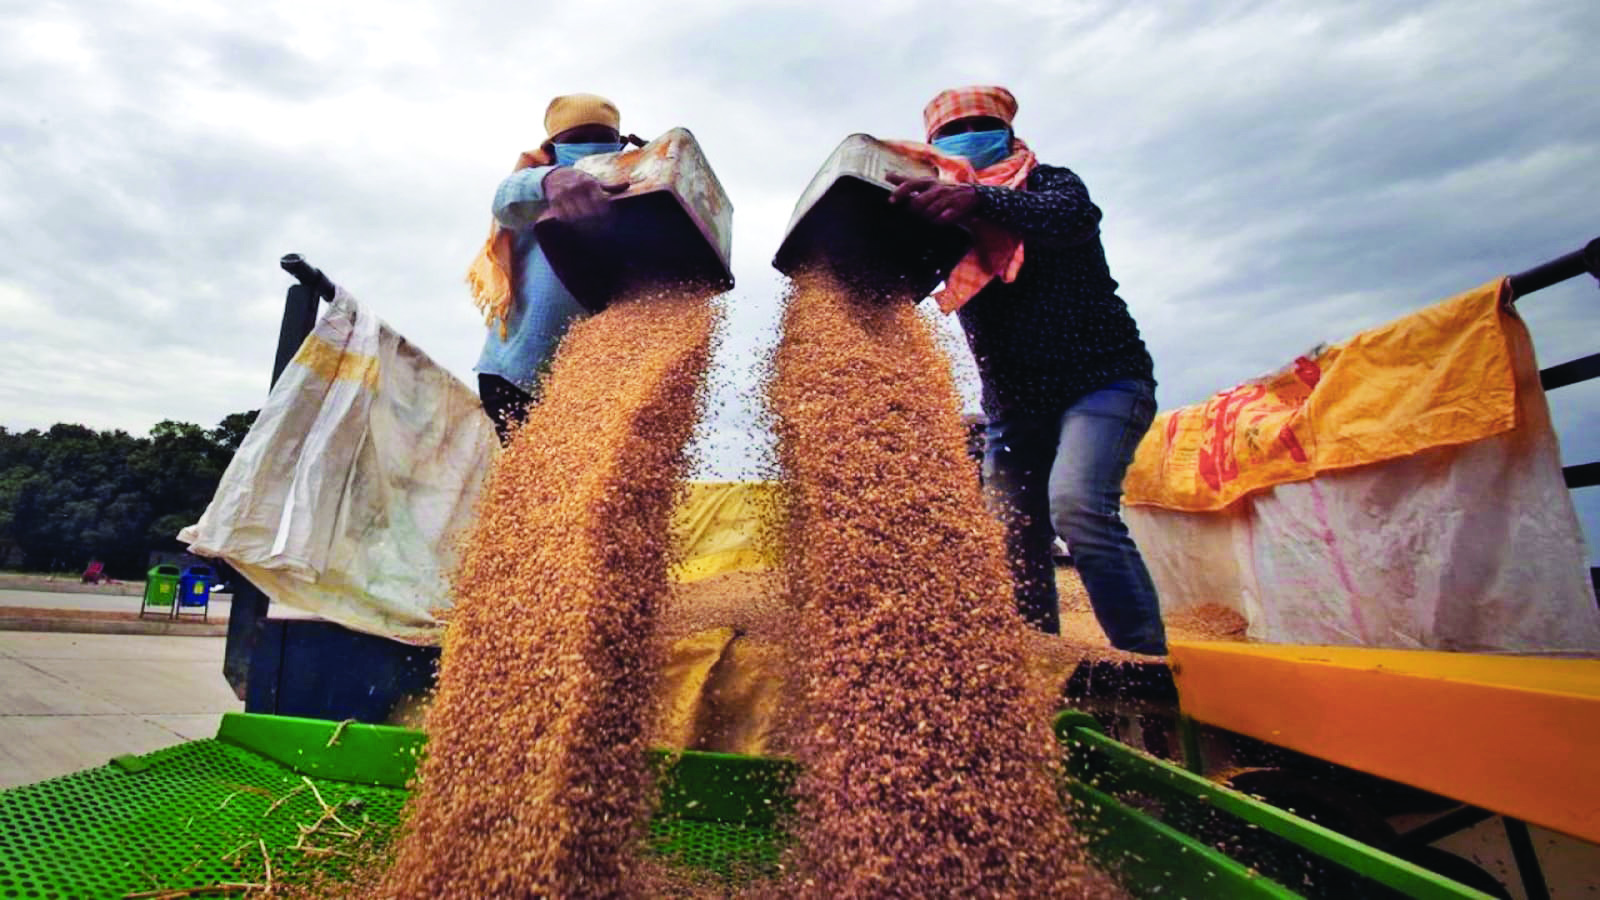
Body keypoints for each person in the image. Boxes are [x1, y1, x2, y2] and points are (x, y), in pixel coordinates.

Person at [886, 85, 1167, 655]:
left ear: (1009, 131)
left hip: (1102, 382)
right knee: (1012, 538)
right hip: (1014, 407)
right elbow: (901, 275)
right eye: (949, 132)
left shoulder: (1050, 185)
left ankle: (1146, 665)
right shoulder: (943, 214)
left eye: (979, 124)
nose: (965, 138)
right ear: (933, 144)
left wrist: (981, 202)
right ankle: (1037, 665)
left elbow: (1071, 218)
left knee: (1079, 508)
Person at [467, 93, 634, 443]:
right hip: (517, 376)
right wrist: (551, 180)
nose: (590, 148)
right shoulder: (533, 185)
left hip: (593, 386)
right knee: (527, 483)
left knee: (592, 490)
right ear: (554, 147)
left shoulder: (633, 184)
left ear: (619, 143)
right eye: (575, 141)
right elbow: (503, 199)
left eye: (603, 139)